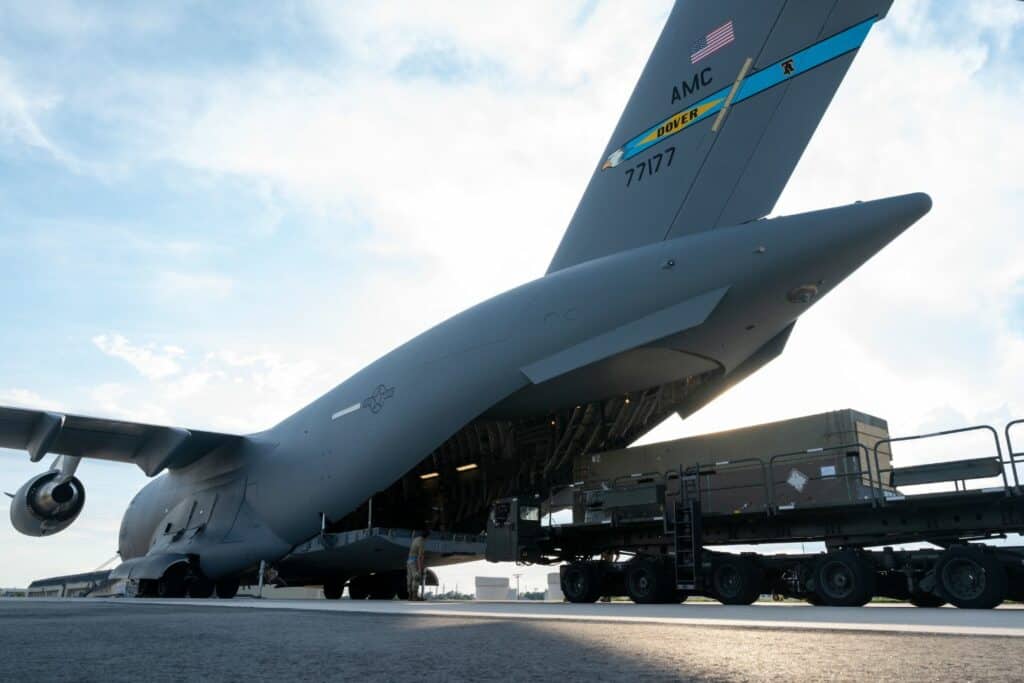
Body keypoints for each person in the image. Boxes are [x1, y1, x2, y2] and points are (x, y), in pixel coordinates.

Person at [407, 529, 430, 600]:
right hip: (414, 562)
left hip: (409, 561)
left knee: (410, 578)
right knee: (416, 578)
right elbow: (420, 557)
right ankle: (414, 597)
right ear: (427, 537)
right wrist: (420, 568)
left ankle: (410, 596)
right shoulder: (422, 543)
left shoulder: (416, 539)